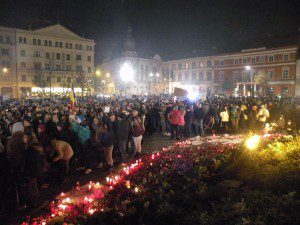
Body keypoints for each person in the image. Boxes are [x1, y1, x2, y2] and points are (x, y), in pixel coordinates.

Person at [22, 130, 44, 208]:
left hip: (32, 170)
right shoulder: (35, 146)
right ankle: (35, 201)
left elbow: (30, 161)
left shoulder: (30, 148)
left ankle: (34, 203)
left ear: (29, 138)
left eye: (25, 137)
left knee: (32, 186)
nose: (23, 138)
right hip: (36, 169)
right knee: (33, 185)